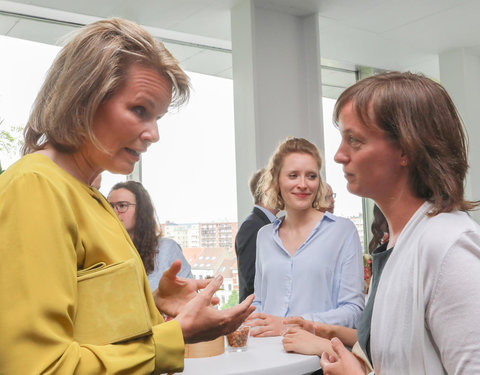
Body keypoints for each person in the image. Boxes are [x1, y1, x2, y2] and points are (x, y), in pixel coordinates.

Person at [0, 18, 254, 374]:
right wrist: (175, 336)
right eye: (139, 110)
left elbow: (84, 325)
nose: (153, 134)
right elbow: (39, 367)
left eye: (158, 117)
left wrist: (150, 303)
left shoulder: (88, 196)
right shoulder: (36, 187)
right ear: (83, 98)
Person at [320, 72, 480, 374]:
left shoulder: (449, 245)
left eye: (354, 140)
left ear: (406, 150)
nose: (340, 155)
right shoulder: (396, 242)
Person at [246, 137, 364, 337]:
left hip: (320, 360)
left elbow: (354, 311)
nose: (303, 184)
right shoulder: (264, 236)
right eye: (293, 175)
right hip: (269, 357)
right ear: (276, 180)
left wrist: (292, 325)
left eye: (311, 176)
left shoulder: (343, 231)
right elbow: (260, 301)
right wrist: (245, 320)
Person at [108, 181, 193, 291]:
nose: (115, 211)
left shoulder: (167, 249)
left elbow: (190, 295)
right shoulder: (104, 251)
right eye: (110, 206)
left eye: (122, 205)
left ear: (141, 210)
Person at [235, 168, 278, 302]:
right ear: (267, 191)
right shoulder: (252, 226)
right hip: (257, 314)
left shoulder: (264, 223)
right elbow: (251, 279)